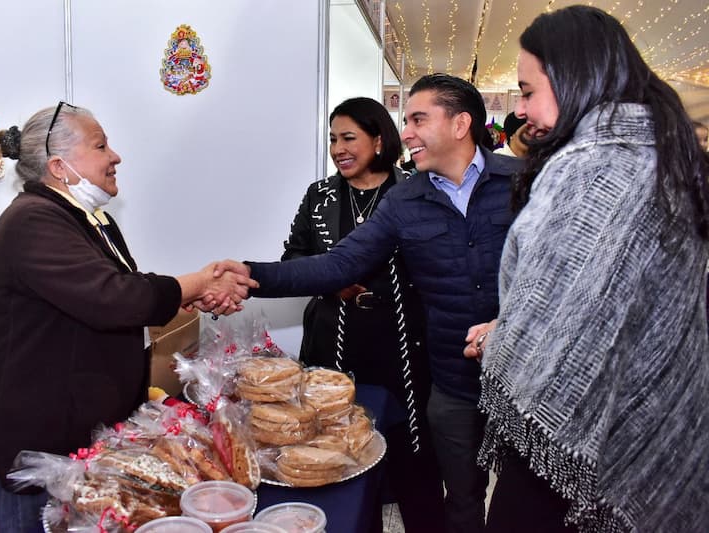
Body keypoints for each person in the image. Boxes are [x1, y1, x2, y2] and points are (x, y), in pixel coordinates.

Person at [217, 74, 524, 533]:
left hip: (530, 379)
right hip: (453, 384)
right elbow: (337, 265)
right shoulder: (405, 201)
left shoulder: (524, 182)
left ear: (461, 123)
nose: (409, 133)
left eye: (419, 119)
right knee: (462, 497)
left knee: (527, 503)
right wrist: (244, 274)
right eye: (407, 121)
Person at [463, 6, 709, 532]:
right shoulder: (661, 155)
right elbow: (592, 303)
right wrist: (511, 326)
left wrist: (503, 343)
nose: (522, 108)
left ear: (573, 76)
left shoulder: (593, 166)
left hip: (565, 452)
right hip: (640, 427)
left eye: (528, 91)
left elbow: (567, 333)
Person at [0, 102, 256, 532]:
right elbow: (114, 298)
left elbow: (121, 290)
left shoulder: (86, 218)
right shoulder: (32, 222)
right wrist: (197, 282)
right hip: (36, 447)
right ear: (60, 166)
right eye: (101, 145)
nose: (115, 156)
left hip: (76, 436)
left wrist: (187, 298)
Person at [283, 96, 444, 531]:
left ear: (378, 139)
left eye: (349, 137)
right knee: (336, 455)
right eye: (333, 139)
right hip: (332, 344)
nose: (338, 148)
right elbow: (294, 257)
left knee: (414, 454)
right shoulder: (319, 196)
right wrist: (329, 280)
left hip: (403, 347)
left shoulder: (415, 191)